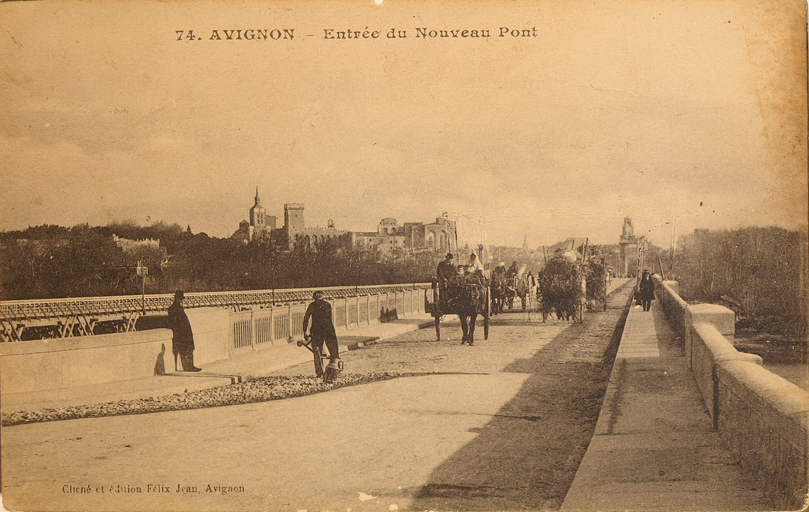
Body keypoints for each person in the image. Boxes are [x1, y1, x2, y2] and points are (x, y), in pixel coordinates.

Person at [303, 290, 341, 379]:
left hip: (317, 331)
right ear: (323, 297)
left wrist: (305, 331)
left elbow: (306, 318)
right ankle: (334, 370)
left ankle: (319, 373)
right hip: (329, 330)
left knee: (316, 351)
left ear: (314, 298)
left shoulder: (312, 305)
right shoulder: (327, 305)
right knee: (333, 350)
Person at [168, 290, 202, 372]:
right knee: (185, 349)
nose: (181, 301)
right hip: (182, 332)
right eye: (180, 299)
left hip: (185, 331)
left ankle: (190, 366)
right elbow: (175, 322)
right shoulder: (173, 309)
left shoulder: (176, 308)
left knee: (189, 349)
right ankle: (188, 367)